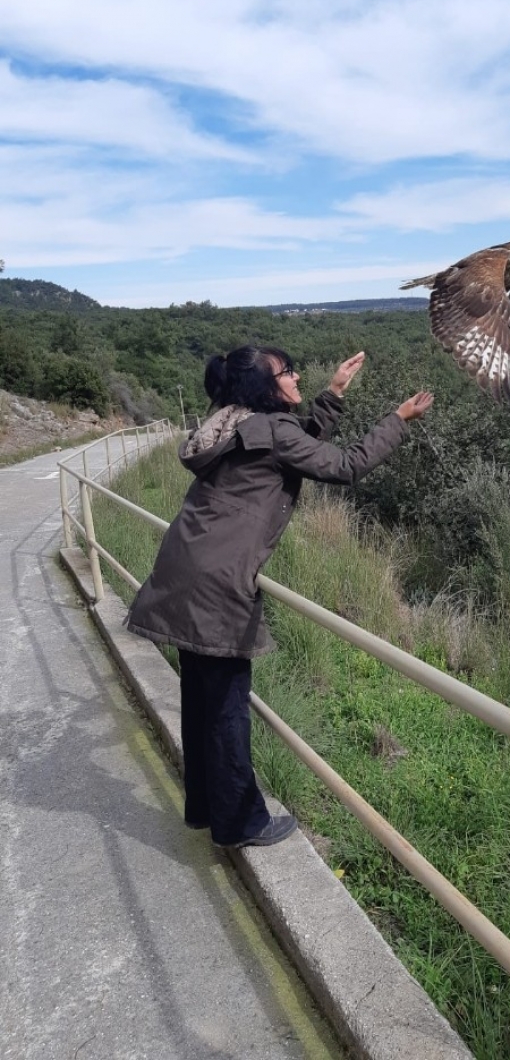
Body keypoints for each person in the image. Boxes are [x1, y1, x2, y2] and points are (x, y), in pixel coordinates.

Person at [126, 345, 433, 848]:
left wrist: (332, 394)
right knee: (226, 708)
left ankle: (205, 809)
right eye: (286, 373)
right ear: (264, 388)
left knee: (201, 700)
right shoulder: (272, 430)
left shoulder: (234, 425)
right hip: (219, 581)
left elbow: (298, 446)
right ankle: (240, 824)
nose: (295, 377)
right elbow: (345, 466)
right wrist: (398, 419)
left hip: (183, 565)